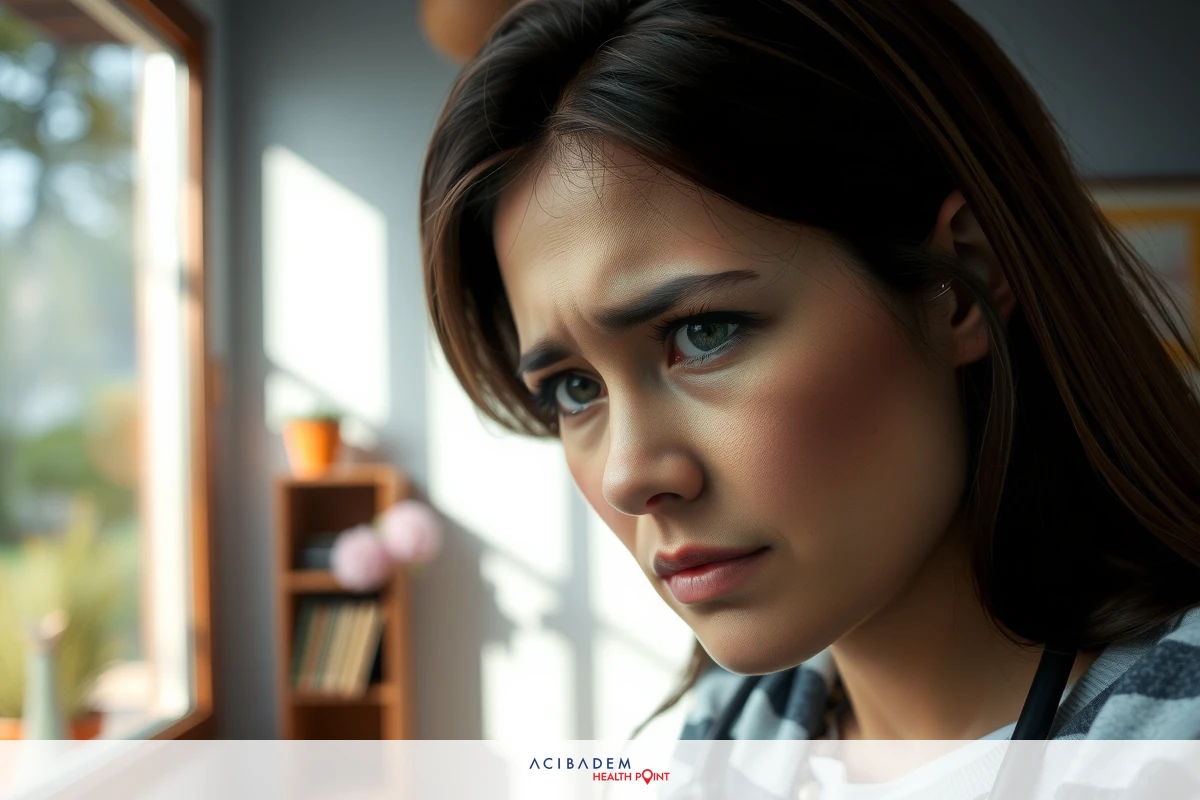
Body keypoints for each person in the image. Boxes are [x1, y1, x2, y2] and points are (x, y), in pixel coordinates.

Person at [419, 0, 1200, 756]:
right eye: (575, 388)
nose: (628, 478)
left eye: (703, 333)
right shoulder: (721, 739)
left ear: (962, 279)